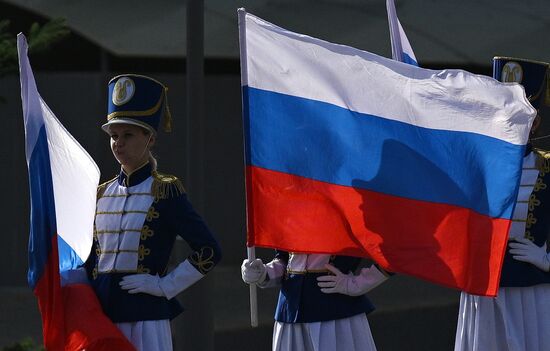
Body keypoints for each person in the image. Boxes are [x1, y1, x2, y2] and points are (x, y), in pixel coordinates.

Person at [85, 74, 222, 351]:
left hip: (146, 318)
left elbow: (209, 250)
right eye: (114, 136)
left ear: (149, 138)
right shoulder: (100, 194)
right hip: (102, 316)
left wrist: (165, 286)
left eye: (128, 135)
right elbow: (90, 257)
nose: (118, 143)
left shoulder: (165, 191)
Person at [454, 57, 550, 351]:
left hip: (531, 287)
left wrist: (546, 260)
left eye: (522, 113)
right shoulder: (474, 164)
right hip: (482, 283)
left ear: (535, 121)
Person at [242, 252, 388, 351]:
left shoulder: (353, 206)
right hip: (290, 312)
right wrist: (263, 273)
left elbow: (392, 251)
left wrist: (359, 283)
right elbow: (286, 261)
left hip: (336, 314)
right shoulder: (288, 208)